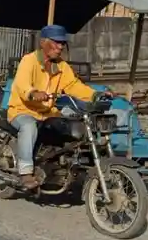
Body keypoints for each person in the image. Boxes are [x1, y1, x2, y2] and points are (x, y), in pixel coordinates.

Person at [6, 24, 103, 189]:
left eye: (62, 43)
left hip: (48, 113)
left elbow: (74, 85)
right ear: (43, 42)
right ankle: (25, 172)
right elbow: (22, 84)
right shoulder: (29, 61)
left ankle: (58, 166)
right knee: (29, 126)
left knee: (69, 128)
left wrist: (94, 95)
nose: (60, 47)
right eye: (56, 42)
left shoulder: (62, 67)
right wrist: (33, 93)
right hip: (22, 110)